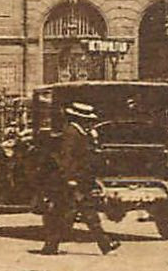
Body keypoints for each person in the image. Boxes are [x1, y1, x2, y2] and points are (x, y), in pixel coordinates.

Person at [41, 102, 118, 256]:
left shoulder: (81, 133)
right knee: (83, 212)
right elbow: (67, 158)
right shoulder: (71, 133)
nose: (89, 123)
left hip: (81, 180)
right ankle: (105, 244)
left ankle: (50, 246)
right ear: (79, 119)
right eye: (87, 120)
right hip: (74, 181)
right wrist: (70, 178)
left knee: (68, 212)